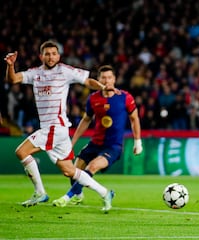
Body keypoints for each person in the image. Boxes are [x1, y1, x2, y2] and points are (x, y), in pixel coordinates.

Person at [4, 40, 118, 212]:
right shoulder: (35, 73)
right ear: (41, 56)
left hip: (55, 127)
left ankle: (39, 192)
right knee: (69, 170)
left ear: (59, 55)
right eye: (47, 54)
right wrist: (11, 65)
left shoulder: (65, 71)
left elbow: (87, 81)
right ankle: (104, 192)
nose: (51, 57)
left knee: (21, 151)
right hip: (56, 130)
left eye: (54, 54)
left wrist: (103, 87)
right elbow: (13, 79)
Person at [52, 65, 143, 207]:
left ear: (114, 79)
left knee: (93, 166)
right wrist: (72, 143)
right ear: (99, 80)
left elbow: (134, 118)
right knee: (73, 171)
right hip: (95, 143)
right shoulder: (93, 98)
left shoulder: (125, 97)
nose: (107, 81)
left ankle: (67, 197)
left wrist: (138, 142)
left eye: (109, 77)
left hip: (113, 146)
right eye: (103, 78)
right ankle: (78, 195)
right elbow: (86, 120)